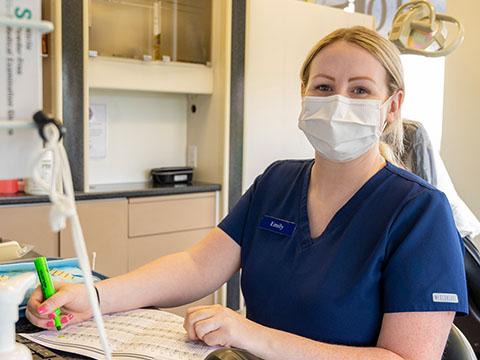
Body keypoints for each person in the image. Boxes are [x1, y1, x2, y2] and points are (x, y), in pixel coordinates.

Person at [27, 26, 468, 360]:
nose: (338, 101)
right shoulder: (278, 182)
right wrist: (94, 298)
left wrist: (249, 334)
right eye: (323, 87)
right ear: (303, 95)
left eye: (359, 90)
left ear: (391, 106)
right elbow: (197, 265)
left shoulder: (419, 211)